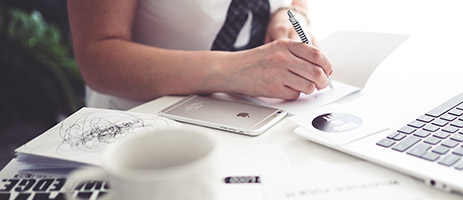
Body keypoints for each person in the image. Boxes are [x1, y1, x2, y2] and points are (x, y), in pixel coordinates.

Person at [67, 0, 332, 110]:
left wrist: (291, 13)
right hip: (144, 132)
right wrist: (235, 70)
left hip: (255, 119)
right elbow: (97, 57)